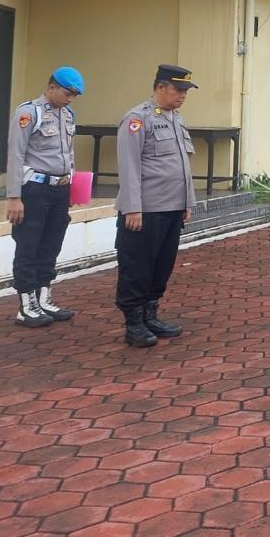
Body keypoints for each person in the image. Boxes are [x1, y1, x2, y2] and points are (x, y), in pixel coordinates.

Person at [115, 64, 198, 348]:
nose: (182, 95)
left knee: (162, 266)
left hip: (172, 208)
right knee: (137, 267)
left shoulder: (176, 119)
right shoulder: (138, 118)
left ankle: (150, 315)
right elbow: (129, 165)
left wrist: (187, 202)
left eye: (186, 91)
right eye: (178, 89)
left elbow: (183, 165)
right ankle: (134, 323)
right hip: (146, 210)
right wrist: (132, 208)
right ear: (160, 87)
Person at [6, 66, 85, 328]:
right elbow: (16, 155)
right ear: (51, 87)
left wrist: (72, 187)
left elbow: (69, 154)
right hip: (34, 190)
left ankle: (43, 298)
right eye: (67, 93)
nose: (70, 99)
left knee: (51, 245)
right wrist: (14, 197)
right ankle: (26, 305)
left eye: (74, 95)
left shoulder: (68, 115)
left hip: (59, 189)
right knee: (29, 245)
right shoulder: (29, 113)